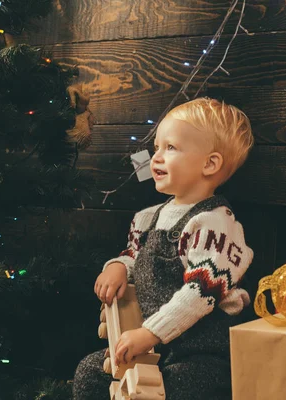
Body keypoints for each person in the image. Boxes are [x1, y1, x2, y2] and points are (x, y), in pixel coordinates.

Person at [74, 97, 255, 400]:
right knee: (91, 373)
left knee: (176, 389)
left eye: (170, 148)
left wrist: (150, 333)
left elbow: (201, 292)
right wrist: (118, 266)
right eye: (156, 146)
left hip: (204, 355)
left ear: (210, 164)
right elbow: (135, 255)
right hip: (157, 349)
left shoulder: (215, 225)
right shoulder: (148, 217)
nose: (155, 157)